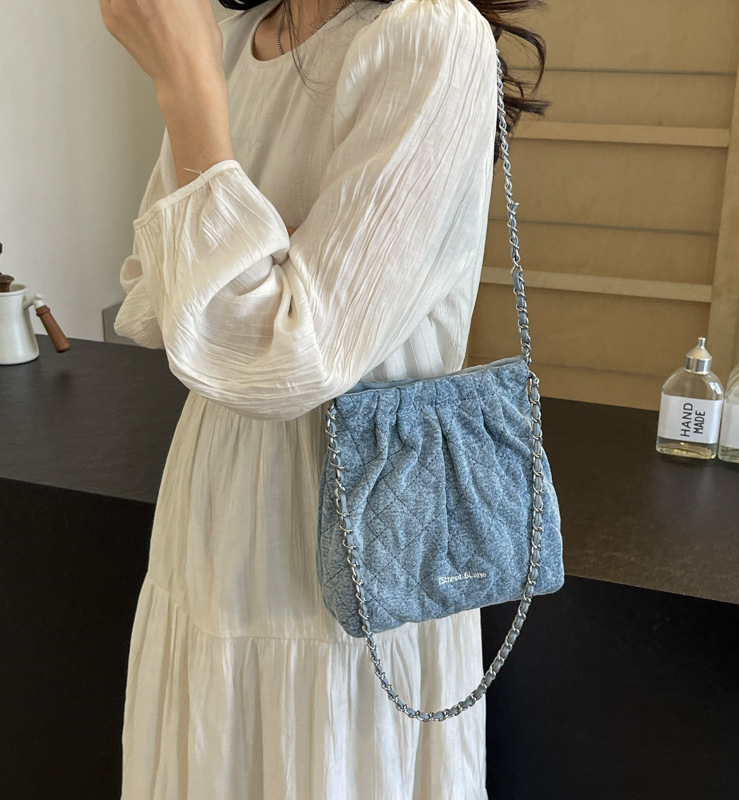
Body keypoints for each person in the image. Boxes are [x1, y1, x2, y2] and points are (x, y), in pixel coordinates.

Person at [101, 0, 547, 796]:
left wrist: (188, 90)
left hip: (355, 529)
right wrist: (195, 81)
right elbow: (152, 300)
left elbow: (286, 355)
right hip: (213, 513)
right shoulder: (236, 39)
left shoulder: (428, 35)